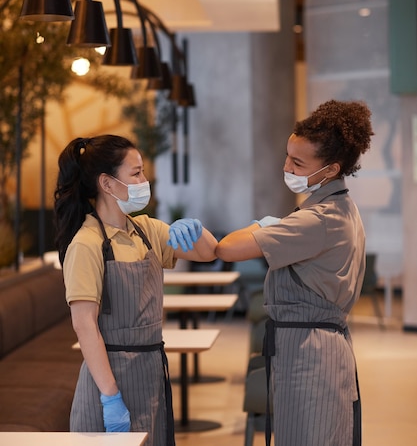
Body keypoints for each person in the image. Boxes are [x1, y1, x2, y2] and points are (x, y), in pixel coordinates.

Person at [216, 99, 373, 446]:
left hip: (310, 358)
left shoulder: (318, 219)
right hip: (310, 350)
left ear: (330, 169)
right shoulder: (339, 206)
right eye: (287, 156)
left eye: (298, 162)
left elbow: (227, 248)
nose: (286, 166)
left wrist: (261, 225)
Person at [54, 134, 218, 445]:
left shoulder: (148, 231)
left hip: (150, 372)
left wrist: (195, 229)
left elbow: (209, 252)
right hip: (109, 381)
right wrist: (111, 397)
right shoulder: (86, 244)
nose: (145, 180)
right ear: (107, 183)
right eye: (136, 173)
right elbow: (84, 324)